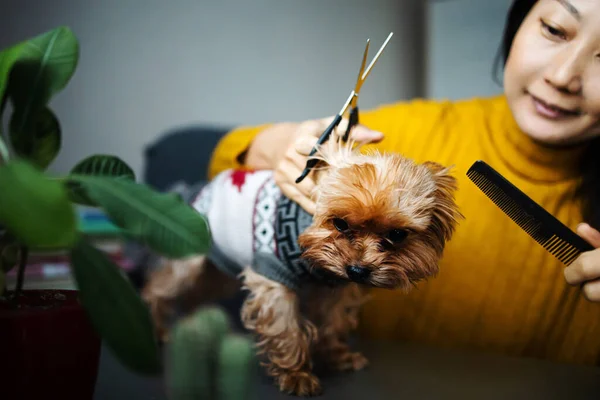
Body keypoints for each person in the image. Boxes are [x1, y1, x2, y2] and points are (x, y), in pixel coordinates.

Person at [207, 0, 600, 366]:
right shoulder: (406, 131)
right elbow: (225, 155)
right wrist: (277, 146)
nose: (563, 77)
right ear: (518, 23)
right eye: (555, 29)